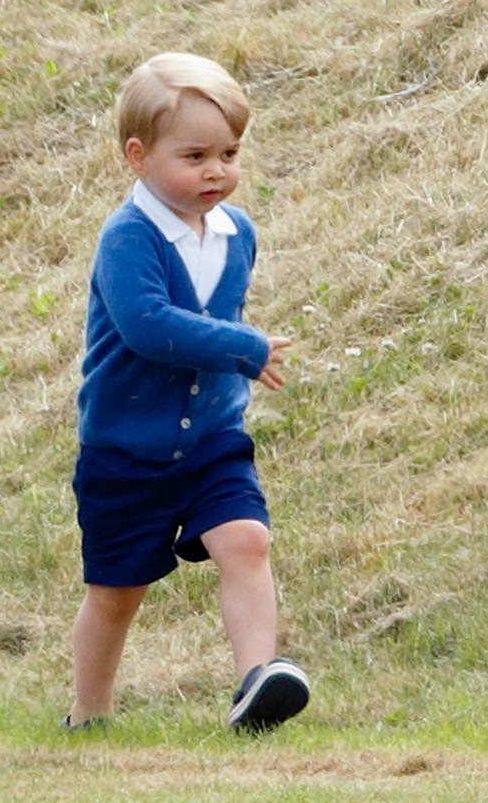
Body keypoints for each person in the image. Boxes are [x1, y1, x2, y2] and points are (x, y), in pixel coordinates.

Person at [64, 51, 309, 733]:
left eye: (229, 152)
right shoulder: (128, 237)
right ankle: (89, 715)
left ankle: (254, 686)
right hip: (125, 448)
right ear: (137, 156)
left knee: (247, 540)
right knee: (117, 590)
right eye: (195, 154)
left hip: (211, 440)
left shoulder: (238, 234)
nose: (217, 171)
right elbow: (147, 326)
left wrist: (234, 365)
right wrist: (242, 349)